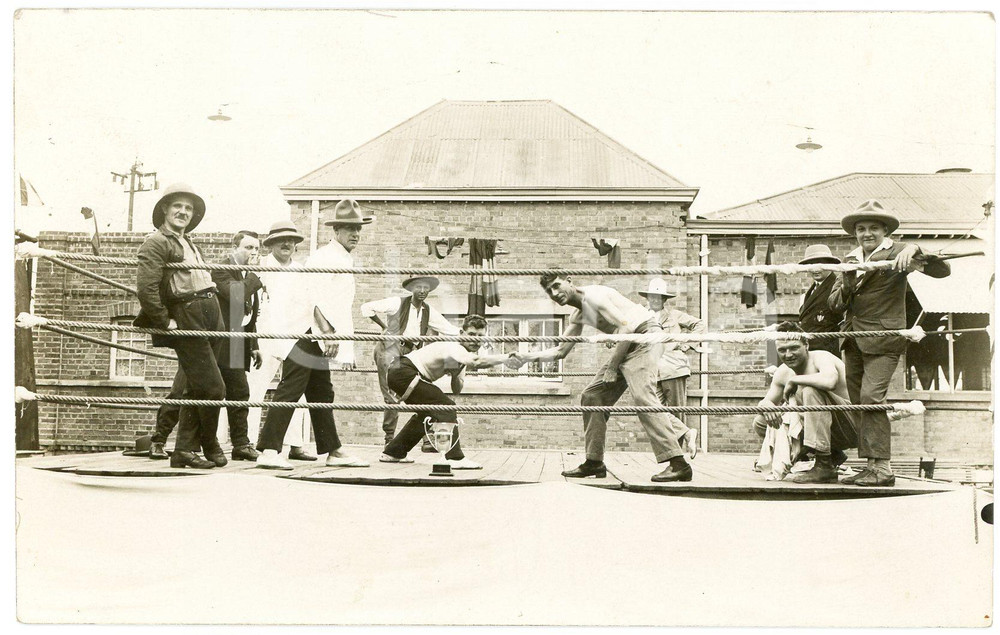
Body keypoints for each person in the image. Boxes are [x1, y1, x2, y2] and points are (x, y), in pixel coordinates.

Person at [515, 272, 694, 482]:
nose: (555, 294)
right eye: (549, 291)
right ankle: (594, 462)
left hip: (646, 337)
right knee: (592, 396)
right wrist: (527, 356)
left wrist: (612, 368)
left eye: (557, 285)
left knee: (643, 398)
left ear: (570, 281)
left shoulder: (594, 297)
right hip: (628, 342)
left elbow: (627, 327)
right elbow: (560, 351)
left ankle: (679, 464)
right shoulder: (578, 315)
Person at [829, 199, 950, 486]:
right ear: (854, 233)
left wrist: (915, 250)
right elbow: (835, 304)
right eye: (861, 228)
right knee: (859, 403)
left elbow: (942, 271)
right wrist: (847, 281)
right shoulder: (849, 259)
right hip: (853, 339)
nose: (867, 233)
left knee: (872, 399)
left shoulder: (899, 252)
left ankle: (882, 467)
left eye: (873, 228)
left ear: (884, 231)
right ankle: (871, 466)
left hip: (884, 339)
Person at [255, 199, 370, 470]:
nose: (354, 234)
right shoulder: (325, 257)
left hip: (314, 334)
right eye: (348, 228)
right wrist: (328, 333)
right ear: (336, 231)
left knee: (321, 391)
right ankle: (269, 451)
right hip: (304, 333)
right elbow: (313, 298)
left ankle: (333, 450)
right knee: (292, 387)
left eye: (358, 229)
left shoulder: (341, 256)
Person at [134, 183, 225, 470]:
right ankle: (201, 444)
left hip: (211, 312)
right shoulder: (156, 241)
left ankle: (192, 448)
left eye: (189, 208)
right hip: (188, 314)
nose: (183, 212)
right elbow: (146, 288)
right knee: (213, 388)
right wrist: (165, 321)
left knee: (198, 386)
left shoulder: (187, 241)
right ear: (164, 209)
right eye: (178, 206)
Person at [381, 314, 517, 467]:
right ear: (461, 334)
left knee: (428, 413)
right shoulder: (454, 347)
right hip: (403, 371)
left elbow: (456, 389)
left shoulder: (461, 356)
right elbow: (477, 362)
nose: (475, 339)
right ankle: (454, 458)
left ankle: (393, 452)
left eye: (480, 336)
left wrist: (455, 373)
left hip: (402, 373)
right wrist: (506, 358)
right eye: (471, 334)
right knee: (447, 407)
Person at [753, 322, 858, 483]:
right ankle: (830, 454)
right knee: (761, 421)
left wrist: (795, 380)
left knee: (810, 391)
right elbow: (768, 400)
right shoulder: (782, 372)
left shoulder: (821, 357)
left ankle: (824, 466)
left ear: (806, 344)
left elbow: (830, 381)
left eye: (794, 348)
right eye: (782, 350)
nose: (788, 355)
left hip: (851, 426)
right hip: (827, 430)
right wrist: (765, 405)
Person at [361, 275, 460, 446]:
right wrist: (384, 327)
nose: (422, 291)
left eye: (425, 288)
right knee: (391, 396)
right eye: (418, 287)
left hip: (410, 354)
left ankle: (426, 437)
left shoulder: (428, 311)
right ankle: (389, 439)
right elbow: (366, 308)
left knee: (420, 391)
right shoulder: (396, 303)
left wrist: (473, 338)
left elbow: (449, 329)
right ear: (411, 289)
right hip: (390, 348)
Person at [247, 220, 315, 461]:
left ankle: (295, 444)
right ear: (271, 243)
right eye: (281, 240)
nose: (287, 244)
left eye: (292, 240)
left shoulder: (301, 270)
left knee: (297, 391)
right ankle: (249, 443)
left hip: (294, 336)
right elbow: (244, 304)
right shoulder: (259, 267)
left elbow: (309, 304)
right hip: (265, 336)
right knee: (255, 388)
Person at [211, 230, 264, 461]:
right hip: (218, 341)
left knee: (240, 392)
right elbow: (235, 295)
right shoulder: (222, 268)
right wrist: (254, 275)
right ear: (235, 248)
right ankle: (161, 439)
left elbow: (248, 313)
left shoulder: (246, 274)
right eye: (248, 247)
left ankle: (241, 445)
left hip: (236, 342)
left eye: (256, 248)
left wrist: (253, 344)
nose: (253, 253)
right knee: (208, 392)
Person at [638, 277, 702, 458]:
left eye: (658, 297)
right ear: (647, 297)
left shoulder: (675, 316)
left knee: (676, 410)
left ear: (664, 299)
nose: (654, 300)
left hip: (674, 368)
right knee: (652, 409)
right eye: (652, 296)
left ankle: (678, 457)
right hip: (652, 370)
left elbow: (699, 324)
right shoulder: (642, 315)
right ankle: (687, 434)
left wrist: (686, 344)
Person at [796, 244, 844, 356]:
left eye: (821, 264)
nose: (816, 269)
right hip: (810, 349)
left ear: (830, 265)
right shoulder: (812, 289)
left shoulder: (836, 286)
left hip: (827, 351)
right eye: (812, 265)